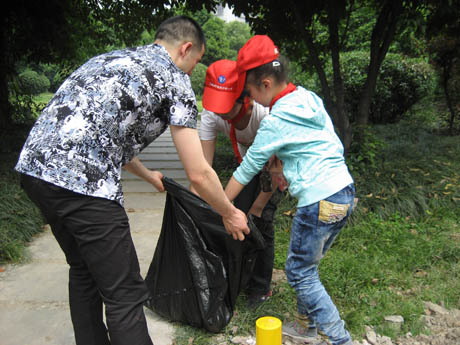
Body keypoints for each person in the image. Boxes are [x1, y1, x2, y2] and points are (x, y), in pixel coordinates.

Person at [15, 16, 249, 345]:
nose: (192, 71)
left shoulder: (109, 59)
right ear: (185, 49)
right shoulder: (174, 77)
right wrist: (228, 212)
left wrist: (147, 174)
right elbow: (199, 171)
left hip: (34, 169)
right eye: (196, 62)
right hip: (83, 185)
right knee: (124, 294)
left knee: (83, 269)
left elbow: (105, 135)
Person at [225, 35, 355, 345]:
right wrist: (287, 167)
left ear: (266, 84)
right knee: (308, 267)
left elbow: (247, 168)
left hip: (318, 200)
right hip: (344, 193)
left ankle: (340, 339)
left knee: (299, 273)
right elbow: (323, 142)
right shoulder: (308, 98)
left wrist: (220, 203)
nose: (252, 100)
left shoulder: (276, 119)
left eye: (252, 92)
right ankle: (304, 327)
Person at [198, 59, 286, 308]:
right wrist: (201, 204)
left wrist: (258, 206)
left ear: (246, 98)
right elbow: (204, 169)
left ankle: (260, 287)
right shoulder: (211, 115)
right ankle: (241, 276)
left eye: (228, 109)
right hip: (246, 164)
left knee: (261, 219)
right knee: (238, 218)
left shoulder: (266, 113)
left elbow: (276, 171)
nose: (222, 115)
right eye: (218, 108)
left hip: (276, 165)